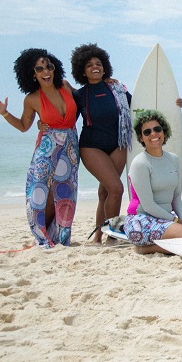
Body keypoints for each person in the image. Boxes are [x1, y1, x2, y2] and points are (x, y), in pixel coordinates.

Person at [0, 49, 79, 247]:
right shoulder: (32, 99)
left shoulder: (65, 86)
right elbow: (23, 126)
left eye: (49, 66)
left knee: (65, 193)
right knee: (40, 192)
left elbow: (82, 104)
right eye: (40, 68)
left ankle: (60, 237)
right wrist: (4, 113)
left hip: (70, 147)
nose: (46, 71)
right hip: (46, 149)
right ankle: (42, 236)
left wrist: (107, 81)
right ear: (33, 74)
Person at [68, 43, 133, 236]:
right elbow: (66, 119)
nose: (95, 67)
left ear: (104, 66)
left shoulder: (117, 90)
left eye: (98, 63)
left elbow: (139, 107)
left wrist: (173, 104)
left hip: (118, 144)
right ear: (82, 71)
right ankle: (112, 235)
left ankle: (98, 236)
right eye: (89, 65)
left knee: (105, 192)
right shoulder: (80, 95)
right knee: (116, 189)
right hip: (92, 147)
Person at [122, 110, 182, 254]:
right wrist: (177, 222)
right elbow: (148, 205)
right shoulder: (140, 163)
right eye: (147, 132)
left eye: (157, 129)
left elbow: (176, 196)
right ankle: (144, 249)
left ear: (164, 131)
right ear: (141, 137)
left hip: (165, 220)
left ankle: (158, 245)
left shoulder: (174, 159)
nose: (153, 134)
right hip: (140, 220)